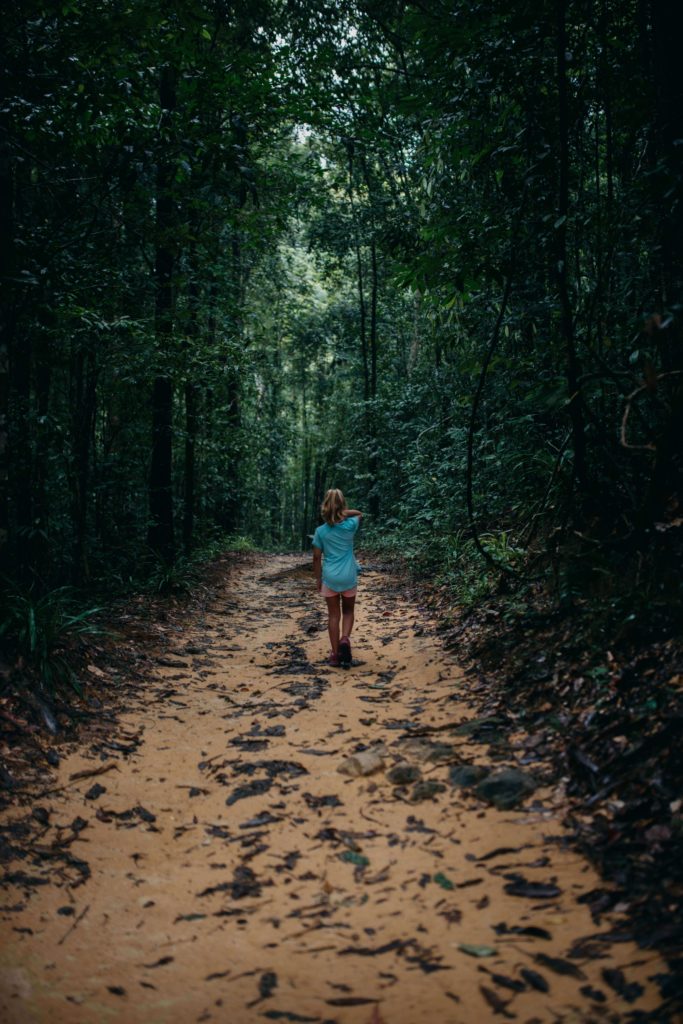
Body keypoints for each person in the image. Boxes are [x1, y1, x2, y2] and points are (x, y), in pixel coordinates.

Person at [311, 489, 362, 667]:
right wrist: (341, 513)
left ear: (325, 506)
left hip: (330, 577)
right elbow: (360, 514)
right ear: (342, 505)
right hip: (348, 575)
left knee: (334, 615)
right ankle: (345, 640)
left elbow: (316, 558)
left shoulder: (320, 532)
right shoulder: (351, 525)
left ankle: (334, 655)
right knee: (348, 611)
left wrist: (318, 579)